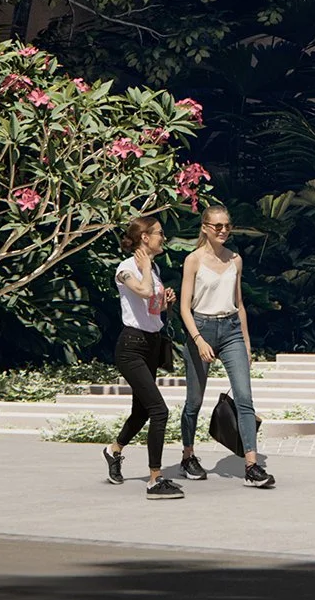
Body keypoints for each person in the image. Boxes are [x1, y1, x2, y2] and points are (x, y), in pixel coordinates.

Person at [177, 202, 273, 487]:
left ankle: (252, 466)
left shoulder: (235, 260)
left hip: (230, 328)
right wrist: (198, 339)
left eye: (227, 226)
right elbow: (184, 308)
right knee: (193, 401)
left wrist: (246, 343)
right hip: (201, 327)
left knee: (244, 399)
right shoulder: (193, 260)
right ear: (205, 228)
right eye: (217, 226)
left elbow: (240, 304)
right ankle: (188, 456)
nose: (223, 231)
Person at [103, 215, 182, 499]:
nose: (163, 237)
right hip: (131, 347)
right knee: (159, 410)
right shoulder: (125, 269)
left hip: (151, 344)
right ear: (145, 238)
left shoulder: (154, 268)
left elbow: (153, 306)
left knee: (142, 411)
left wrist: (166, 300)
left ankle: (114, 450)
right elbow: (144, 290)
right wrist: (147, 270)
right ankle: (155, 479)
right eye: (159, 233)